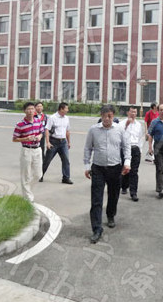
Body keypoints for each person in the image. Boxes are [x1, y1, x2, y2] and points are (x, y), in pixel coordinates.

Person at [84, 104, 131, 243]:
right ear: (101, 116)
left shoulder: (120, 130)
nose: (107, 119)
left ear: (113, 116)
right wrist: (87, 165)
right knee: (96, 199)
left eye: (109, 116)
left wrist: (127, 162)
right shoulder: (93, 130)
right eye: (104, 116)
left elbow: (126, 146)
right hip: (98, 168)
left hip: (115, 168)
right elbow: (88, 148)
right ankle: (97, 229)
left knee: (113, 194)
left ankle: (110, 215)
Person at [12, 102, 44, 203]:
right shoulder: (20, 124)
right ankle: (28, 198)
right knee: (26, 175)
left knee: (38, 175)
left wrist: (39, 136)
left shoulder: (38, 121)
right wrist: (26, 138)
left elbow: (41, 132)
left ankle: (27, 191)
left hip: (37, 149)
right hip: (27, 150)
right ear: (24, 111)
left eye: (32, 109)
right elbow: (14, 139)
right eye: (28, 109)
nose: (31, 111)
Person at [41, 102, 73, 184]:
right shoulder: (52, 117)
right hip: (53, 142)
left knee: (66, 160)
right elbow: (47, 130)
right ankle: (40, 175)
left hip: (63, 142)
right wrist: (48, 142)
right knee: (47, 160)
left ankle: (66, 178)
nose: (67, 110)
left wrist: (69, 142)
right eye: (66, 108)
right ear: (61, 109)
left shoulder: (66, 118)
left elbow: (67, 131)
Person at [120, 106, 144, 202]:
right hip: (125, 148)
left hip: (135, 148)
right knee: (125, 168)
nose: (133, 114)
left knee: (134, 171)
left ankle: (133, 192)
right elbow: (119, 134)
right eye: (131, 112)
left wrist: (140, 150)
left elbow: (140, 138)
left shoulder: (138, 125)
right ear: (128, 113)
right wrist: (127, 124)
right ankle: (124, 186)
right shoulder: (122, 123)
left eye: (135, 112)